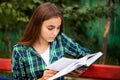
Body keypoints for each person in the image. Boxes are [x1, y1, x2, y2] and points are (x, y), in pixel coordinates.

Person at [12, 2, 90, 80]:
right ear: (37, 25)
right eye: (50, 28)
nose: (55, 33)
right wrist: (42, 79)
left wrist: (75, 68)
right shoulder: (19, 51)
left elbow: (86, 54)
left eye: (58, 28)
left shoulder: (60, 40)